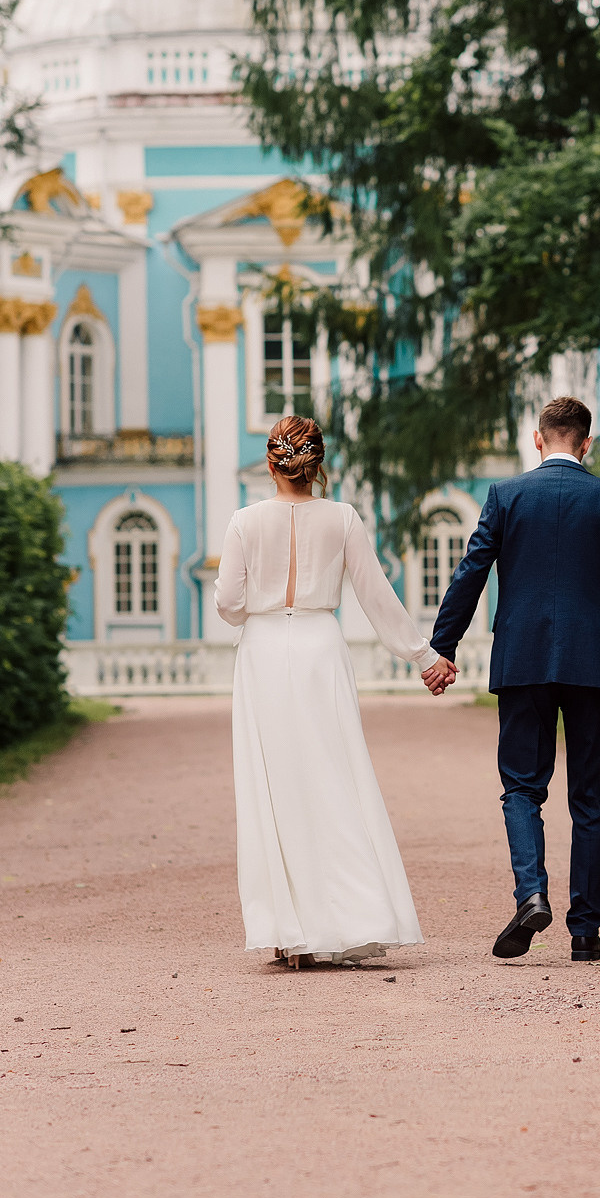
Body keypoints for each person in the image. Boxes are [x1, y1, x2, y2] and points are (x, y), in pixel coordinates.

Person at [421, 395, 600, 963]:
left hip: (523, 662)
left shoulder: (507, 496)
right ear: (586, 442)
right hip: (594, 665)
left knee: (522, 787)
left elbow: (470, 572)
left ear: (537, 439)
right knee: (590, 798)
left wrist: (442, 648)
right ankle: (585, 929)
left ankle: (531, 894)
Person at [214, 414, 441, 969]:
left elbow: (228, 603)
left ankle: (287, 931)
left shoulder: (244, 522)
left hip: (264, 650)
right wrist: (423, 655)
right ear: (318, 466)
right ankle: (351, 915)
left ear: (272, 463)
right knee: (335, 776)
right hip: (321, 645)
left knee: (272, 786)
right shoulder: (342, 518)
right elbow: (374, 593)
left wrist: (256, 609)